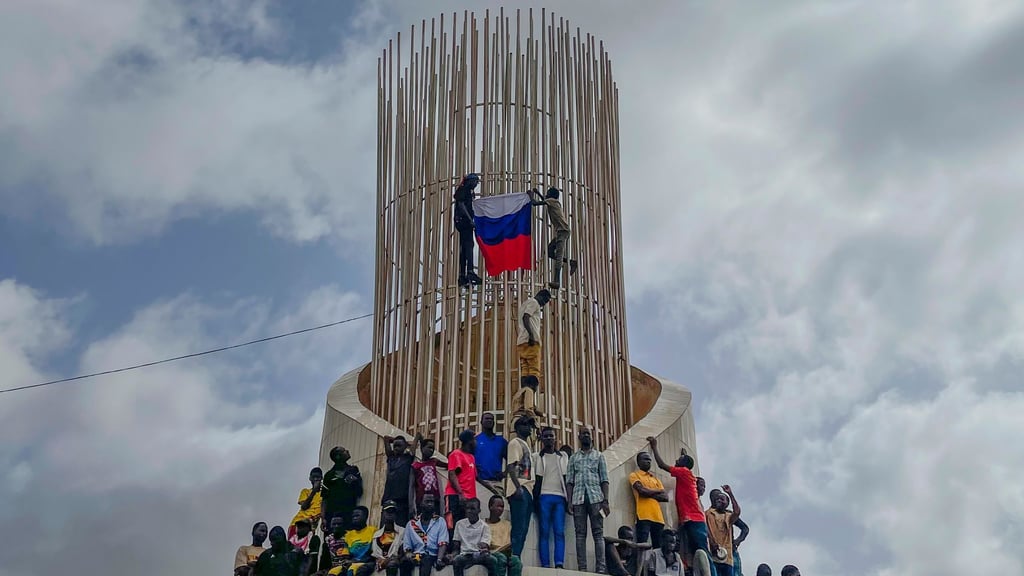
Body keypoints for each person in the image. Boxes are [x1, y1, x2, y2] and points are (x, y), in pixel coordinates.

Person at [646, 437, 710, 565]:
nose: (676, 461)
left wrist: (654, 446)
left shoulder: (684, 472)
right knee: (693, 550)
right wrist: (684, 456)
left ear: (684, 465)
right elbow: (685, 464)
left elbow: (661, 465)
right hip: (690, 519)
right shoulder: (686, 473)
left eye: (679, 460)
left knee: (702, 551)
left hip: (694, 519)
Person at [567, 426, 610, 573]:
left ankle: (600, 569)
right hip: (578, 500)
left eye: (588, 433)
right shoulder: (573, 458)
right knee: (580, 535)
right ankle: (582, 569)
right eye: (583, 434)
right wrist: (569, 501)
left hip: (596, 499)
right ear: (579, 437)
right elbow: (570, 481)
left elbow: (604, 480)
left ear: (591, 437)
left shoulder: (599, 456)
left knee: (598, 534)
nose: (586, 436)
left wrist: (606, 501)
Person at [528, 187, 577, 290]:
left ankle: (557, 281)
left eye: (548, 193)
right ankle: (571, 262)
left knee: (559, 255)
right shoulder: (553, 202)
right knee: (549, 252)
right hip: (561, 231)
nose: (546, 194)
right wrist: (538, 193)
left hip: (563, 231)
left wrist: (531, 196)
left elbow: (535, 203)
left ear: (551, 195)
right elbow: (544, 200)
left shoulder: (552, 201)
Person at [534, 426, 569, 568]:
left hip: (560, 497)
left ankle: (559, 563)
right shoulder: (537, 457)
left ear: (555, 438)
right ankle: (545, 564)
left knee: (559, 531)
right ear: (542, 439)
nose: (549, 438)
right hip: (544, 497)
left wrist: (569, 500)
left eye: (551, 436)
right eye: (546, 436)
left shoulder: (563, 456)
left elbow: (568, 478)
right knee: (544, 532)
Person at [514, 289, 552, 419]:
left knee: (525, 373)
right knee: (534, 374)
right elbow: (526, 317)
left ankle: (524, 404)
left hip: (521, 342)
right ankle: (530, 407)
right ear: (540, 296)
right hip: (531, 341)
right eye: (545, 300)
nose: (543, 304)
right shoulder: (534, 302)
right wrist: (531, 335)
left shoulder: (525, 303)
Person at [505, 415, 536, 558]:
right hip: (520, 488)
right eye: (525, 425)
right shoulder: (515, 443)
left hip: (528, 489)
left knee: (524, 528)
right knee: (518, 526)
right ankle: (513, 556)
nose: (528, 428)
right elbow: (511, 466)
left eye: (529, 425)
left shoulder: (526, 445)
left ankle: (517, 556)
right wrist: (517, 487)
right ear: (517, 428)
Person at [401, 494, 449, 576]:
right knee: (404, 562)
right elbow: (407, 547)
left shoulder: (440, 521)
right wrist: (409, 555)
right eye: (427, 501)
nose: (430, 504)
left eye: (432, 502)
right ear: (421, 503)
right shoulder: (411, 524)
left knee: (426, 560)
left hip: (433, 555)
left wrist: (439, 559)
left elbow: (443, 543)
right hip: (417, 555)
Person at [630, 452, 668, 546]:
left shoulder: (655, 479)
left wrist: (648, 492)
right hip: (643, 515)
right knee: (642, 545)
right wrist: (658, 491)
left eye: (650, 460)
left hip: (658, 517)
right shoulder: (634, 475)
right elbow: (641, 491)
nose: (648, 462)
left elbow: (665, 497)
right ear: (638, 462)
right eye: (645, 459)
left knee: (658, 547)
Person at [322, 446, 363, 534]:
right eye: (344, 451)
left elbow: (359, 492)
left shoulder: (353, 470)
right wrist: (323, 518)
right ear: (338, 456)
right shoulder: (329, 475)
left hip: (348, 513)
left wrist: (355, 481)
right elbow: (324, 499)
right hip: (332, 515)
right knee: (331, 539)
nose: (347, 451)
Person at [451, 498, 497, 576]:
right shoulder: (459, 524)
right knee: (457, 560)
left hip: (480, 555)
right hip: (465, 555)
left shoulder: (484, 526)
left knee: (493, 560)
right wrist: (452, 555)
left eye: (472, 509)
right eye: (467, 508)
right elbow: (456, 545)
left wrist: (483, 548)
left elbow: (484, 545)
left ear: (479, 510)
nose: (469, 511)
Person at [454, 173, 483, 287]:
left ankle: (462, 275)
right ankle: (470, 271)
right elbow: (461, 205)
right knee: (469, 245)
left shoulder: (466, 190)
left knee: (464, 248)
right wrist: (470, 220)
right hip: (464, 222)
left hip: (461, 222)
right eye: (475, 181)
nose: (476, 184)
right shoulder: (464, 189)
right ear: (470, 181)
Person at [705, 487, 742, 576]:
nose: (719, 500)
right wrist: (711, 542)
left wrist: (730, 494)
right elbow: (705, 528)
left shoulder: (728, 516)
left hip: (727, 559)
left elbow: (737, 512)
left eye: (722, 499)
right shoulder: (708, 514)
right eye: (717, 499)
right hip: (713, 556)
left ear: (727, 503)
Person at [446, 429, 478, 526]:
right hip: (456, 496)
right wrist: (460, 493)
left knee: (466, 526)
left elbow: (475, 477)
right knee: (453, 525)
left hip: (469, 498)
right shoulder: (456, 454)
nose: (476, 442)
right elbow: (452, 475)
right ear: (469, 441)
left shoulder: (471, 457)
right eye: (474, 439)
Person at [383, 435, 416, 526]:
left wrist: (408, 443)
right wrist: (397, 441)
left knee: (401, 525)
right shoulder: (391, 458)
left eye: (399, 446)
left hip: (402, 498)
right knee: (386, 525)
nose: (396, 448)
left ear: (405, 447)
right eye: (395, 446)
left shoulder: (408, 457)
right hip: (389, 496)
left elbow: (415, 443)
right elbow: (386, 438)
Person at [485, 495, 522, 576]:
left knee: (516, 561)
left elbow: (509, 543)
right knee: (501, 558)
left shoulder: (507, 524)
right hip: (491, 553)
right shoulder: (483, 525)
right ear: (490, 507)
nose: (500, 509)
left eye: (502, 507)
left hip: (505, 553)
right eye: (498, 506)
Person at [475, 412, 508, 496]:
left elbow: (512, 460)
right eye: (487, 418)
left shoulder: (501, 441)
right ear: (481, 422)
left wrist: (505, 473)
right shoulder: (475, 440)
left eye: (491, 419)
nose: (489, 420)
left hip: (496, 483)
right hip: (479, 482)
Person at [373, 501, 406, 576]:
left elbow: (402, 552)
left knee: (392, 564)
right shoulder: (376, 535)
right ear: (382, 513)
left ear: (396, 515)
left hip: (395, 563)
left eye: (392, 512)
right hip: (379, 564)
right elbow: (376, 555)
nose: (390, 514)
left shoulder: (402, 531)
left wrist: (389, 560)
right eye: (388, 511)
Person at [413, 434, 444, 512]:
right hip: (421, 499)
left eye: (433, 448)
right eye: (429, 447)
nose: (431, 450)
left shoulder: (434, 461)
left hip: (435, 498)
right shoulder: (416, 465)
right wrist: (418, 438)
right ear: (422, 448)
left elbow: (448, 465)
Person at [343, 506, 377, 576]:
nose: (354, 518)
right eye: (353, 516)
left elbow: (373, 553)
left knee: (352, 570)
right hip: (352, 562)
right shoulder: (348, 535)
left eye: (357, 516)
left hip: (367, 562)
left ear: (365, 517)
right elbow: (346, 555)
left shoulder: (373, 531)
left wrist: (357, 561)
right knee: (333, 572)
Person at [290, 468, 323, 538]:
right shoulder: (305, 491)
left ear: (321, 478)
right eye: (313, 477)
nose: (315, 479)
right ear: (310, 478)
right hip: (297, 524)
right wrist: (313, 492)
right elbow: (304, 507)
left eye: (318, 477)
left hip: (310, 527)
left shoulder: (325, 494)